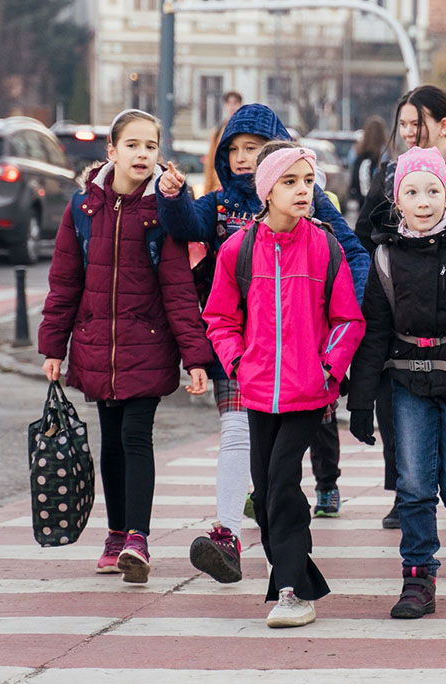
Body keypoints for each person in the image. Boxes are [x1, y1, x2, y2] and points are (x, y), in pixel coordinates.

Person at [156, 103, 369, 584]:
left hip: (303, 362)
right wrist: (172, 198)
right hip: (246, 359)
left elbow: (352, 258)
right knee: (239, 439)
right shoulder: (222, 208)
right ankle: (228, 532)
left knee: (281, 479)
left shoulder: (313, 211)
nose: (242, 158)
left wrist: (333, 342)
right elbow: (186, 226)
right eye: (233, 150)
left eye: (252, 148)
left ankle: (291, 573)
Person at [38, 108, 211, 584]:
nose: (142, 154)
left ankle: (138, 537)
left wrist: (195, 357)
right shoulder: (83, 208)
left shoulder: (163, 211)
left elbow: (179, 290)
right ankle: (115, 535)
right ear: (111, 151)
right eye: (132, 145)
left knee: (136, 437)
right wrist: (54, 346)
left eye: (151, 146)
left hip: (148, 344)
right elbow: (65, 282)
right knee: (110, 443)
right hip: (97, 343)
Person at [203, 144, 365, 628]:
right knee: (267, 491)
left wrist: (327, 370)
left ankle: (292, 591)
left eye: (307, 182)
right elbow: (219, 318)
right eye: (290, 182)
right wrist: (238, 362)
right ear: (267, 191)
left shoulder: (325, 246)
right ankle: (300, 580)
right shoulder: (240, 249)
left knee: (282, 486)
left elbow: (347, 319)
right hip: (257, 392)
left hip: (307, 393)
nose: (302, 191)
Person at [347, 146, 446, 619]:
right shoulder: (383, 258)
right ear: (397, 201)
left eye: (433, 190)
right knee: (414, 484)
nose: (424, 200)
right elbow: (374, 333)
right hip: (409, 385)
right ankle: (418, 576)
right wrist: (360, 402)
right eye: (412, 192)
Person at [354, 86, 446, 529]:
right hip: (405, 314)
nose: (409, 132)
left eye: (417, 123)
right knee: (403, 417)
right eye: (403, 124)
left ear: (443, 125)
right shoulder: (390, 171)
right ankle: (407, 496)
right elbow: (365, 230)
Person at [202, 91, 244, 195]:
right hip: (219, 187)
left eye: (235, 103)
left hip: (238, 187)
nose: (231, 107)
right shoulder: (218, 131)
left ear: (240, 105)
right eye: (228, 103)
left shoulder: (246, 131)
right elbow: (211, 161)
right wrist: (207, 190)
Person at [349, 115, 389, 210]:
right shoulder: (384, 151)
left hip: (362, 195)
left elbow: (351, 165)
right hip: (379, 197)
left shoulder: (357, 150)